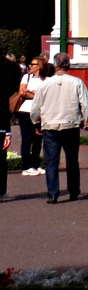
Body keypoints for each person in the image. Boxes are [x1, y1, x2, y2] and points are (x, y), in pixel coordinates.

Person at [32, 54, 88, 203]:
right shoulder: (77, 82)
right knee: (72, 160)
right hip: (70, 124)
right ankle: (73, 191)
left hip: (50, 125)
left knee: (51, 161)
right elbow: (85, 104)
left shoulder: (45, 84)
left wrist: (35, 122)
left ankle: (53, 193)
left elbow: (36, 107)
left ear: (54, 65)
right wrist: (87, 120)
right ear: (68, 65)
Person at [15, 57, 46, 174]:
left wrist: (31, 92)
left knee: (38, 139)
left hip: (40, 112)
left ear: (40, 66)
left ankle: (35, 164)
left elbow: (46, 95)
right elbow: (22, 92)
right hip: (25, 111)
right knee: (27, 139)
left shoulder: (46, 80)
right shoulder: (26, 77)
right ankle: (26, 166)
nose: (30, 67)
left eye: (33, 64)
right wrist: (35, 94)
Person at [0, 52, 19, 202]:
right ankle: (1, 191)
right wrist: (7, 131)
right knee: (1, 159)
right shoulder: (8, 69)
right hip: (1, 124)